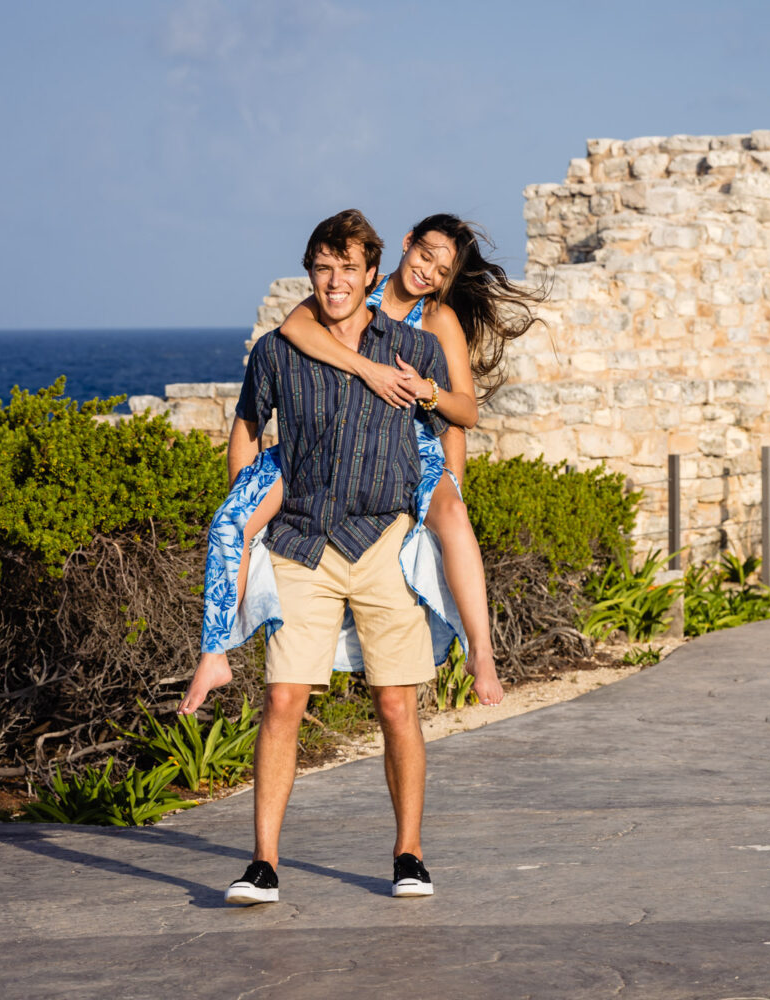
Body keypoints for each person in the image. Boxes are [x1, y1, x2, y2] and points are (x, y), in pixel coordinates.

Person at [178, 214, 538, 716]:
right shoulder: (349, 289)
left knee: (454, 516)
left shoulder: (437, 321)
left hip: (408, 445)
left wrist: (425, 394)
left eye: (442, 269)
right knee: (232, 519)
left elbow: (465, 411)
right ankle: (214, 653)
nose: (428, 271)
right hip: (322, 442)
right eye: (424, 254)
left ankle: (482, 651)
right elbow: (292, 328)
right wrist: (369, 370)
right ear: (407, 243)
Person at [220, 210, 451, 905]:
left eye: (349, 268)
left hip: (383, 539)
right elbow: (245, 427)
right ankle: (263, 863)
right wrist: (243, 514)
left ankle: (408, 854)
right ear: (310, 271)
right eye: (323, 267)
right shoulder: (276, 351)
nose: (335, 280)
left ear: (372, 274)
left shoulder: (414, 349)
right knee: (284, 698)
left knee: (396, 704)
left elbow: (445, 436)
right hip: (300, 541)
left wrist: (443, 516)